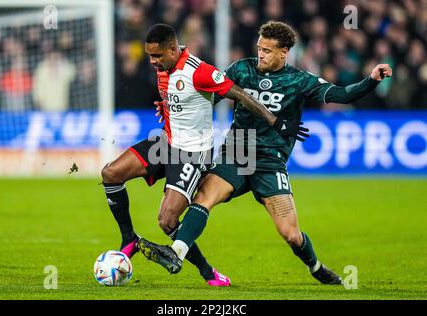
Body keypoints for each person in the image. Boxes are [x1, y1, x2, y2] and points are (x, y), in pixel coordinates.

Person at [137, 21, 392, 285]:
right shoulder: (241, 69)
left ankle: (315, 266)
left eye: (268, 51)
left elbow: (341, 95)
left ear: (284, 52)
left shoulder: (299, 80)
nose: (261, 54)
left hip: (271, 162)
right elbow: (207, 95)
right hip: (237, 151)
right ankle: (176, 253)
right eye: (259, 48)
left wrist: (371, 80)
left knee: (291, 234)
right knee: (204, 198)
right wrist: (171, 106)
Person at [101, 23, 307, 286]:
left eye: (157, 56)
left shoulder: (199, 72)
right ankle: (129, 237)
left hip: (192, 153)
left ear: (174, 49)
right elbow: (179, 97)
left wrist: (275, 121)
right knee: (110, 173)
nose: (152, 62)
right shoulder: (165, 67)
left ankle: (208, 272)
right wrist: (165, 106)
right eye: (150, 56)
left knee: (167, 221)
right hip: (167, 142)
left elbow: (241, 95)